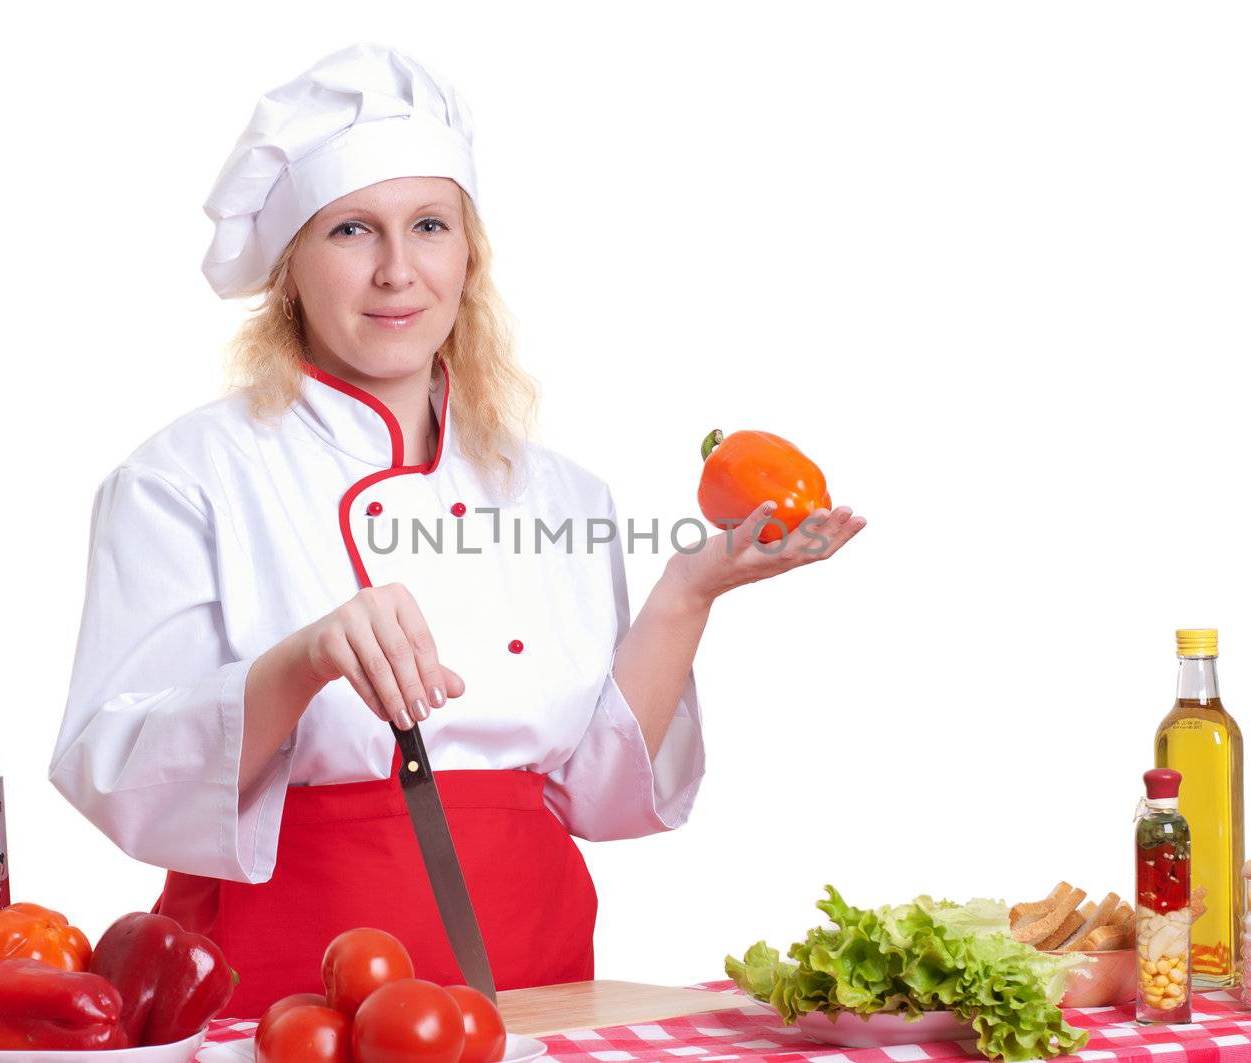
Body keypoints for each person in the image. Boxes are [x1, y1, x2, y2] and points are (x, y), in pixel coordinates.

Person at [48, 41, 865, 1018]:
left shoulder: (559, 494)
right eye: (352, 229)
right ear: (289, 266)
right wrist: (301, 660)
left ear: (466, 254)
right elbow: (118, 770)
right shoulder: (185, 479)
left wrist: (687, 593)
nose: (398, 271)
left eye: (428, 225)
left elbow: (598, 795)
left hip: (539, 979)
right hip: (289, 992)